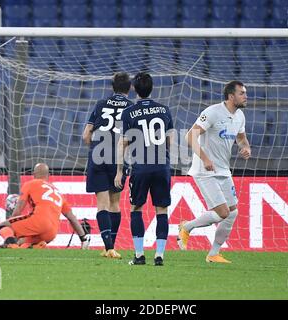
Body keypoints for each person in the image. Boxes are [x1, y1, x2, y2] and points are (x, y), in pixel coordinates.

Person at [178, 80, 251, 263]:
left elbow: (242, 139)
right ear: (231, 96)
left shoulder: (240, 116)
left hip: (223, 170)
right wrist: (205, 158)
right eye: (242, 93)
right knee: (223, 212)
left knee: (232, 212)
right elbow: (190, 136)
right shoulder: (212, 112)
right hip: (205, 170)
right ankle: (187, 227)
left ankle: (213, 254)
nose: (245, 96)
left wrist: (245, 148)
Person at [115, 72, 174, 266]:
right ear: (152, 88)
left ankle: (139, 255)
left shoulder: (129, 112)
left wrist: (118, 171)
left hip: (140, 167)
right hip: (161, 166)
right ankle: (159, 256)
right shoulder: (164, 110)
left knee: (136, 208)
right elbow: (170, 141)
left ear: (134, 89)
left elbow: (122, 144)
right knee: (162, 210)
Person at [82, 72, 133, 259]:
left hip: (98, 154)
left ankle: (107, 247)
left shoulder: (101, 104)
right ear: (130, 88)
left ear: (112, 87)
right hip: (119, 157)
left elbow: (86, 135)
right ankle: (111, 247)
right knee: (114, 203)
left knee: (101, 204)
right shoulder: (132, 107)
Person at [0, 163, 90, 249]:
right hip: (52, 232)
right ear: (48, 175)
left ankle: (10, 244)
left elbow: (18, 210)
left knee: (1, 227)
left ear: (34, 174)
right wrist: (83, 238)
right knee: (22, 242)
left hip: (38, 221)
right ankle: (37, 245)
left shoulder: (30, 184)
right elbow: (71, 218)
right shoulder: (58, 193)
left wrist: (11, 226)